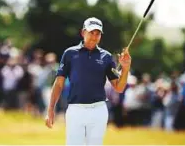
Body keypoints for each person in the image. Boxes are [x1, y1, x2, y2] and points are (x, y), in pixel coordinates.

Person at [45, 17, 131, 145]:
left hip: (98, 110)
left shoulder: (106, 57)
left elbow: (119, 87)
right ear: (83, 32)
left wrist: (125, 68)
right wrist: (51, 109)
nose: (94, 36)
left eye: (98, 34)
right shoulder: (70, 54)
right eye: (91, 32)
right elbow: (58, 83)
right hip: (75, 110)